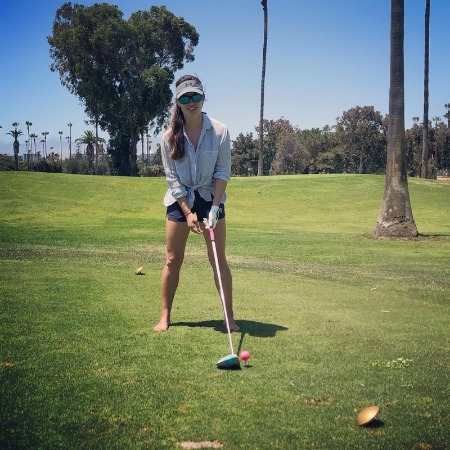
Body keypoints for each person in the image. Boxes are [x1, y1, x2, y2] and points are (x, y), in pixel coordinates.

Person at [153, 74, 239, 333]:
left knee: (218, 259)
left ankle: (229, 318)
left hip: (211, 198)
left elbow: (223, 172)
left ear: (203, 97)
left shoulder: (220, 130)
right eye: (185, 97)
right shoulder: (168, 136)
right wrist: (188, 213)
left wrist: (213, 208)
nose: (192, 102)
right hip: (181, 203)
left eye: (196, 96)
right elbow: (173, 179)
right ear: (178, 101)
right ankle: (165, 316)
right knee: (172, 259)